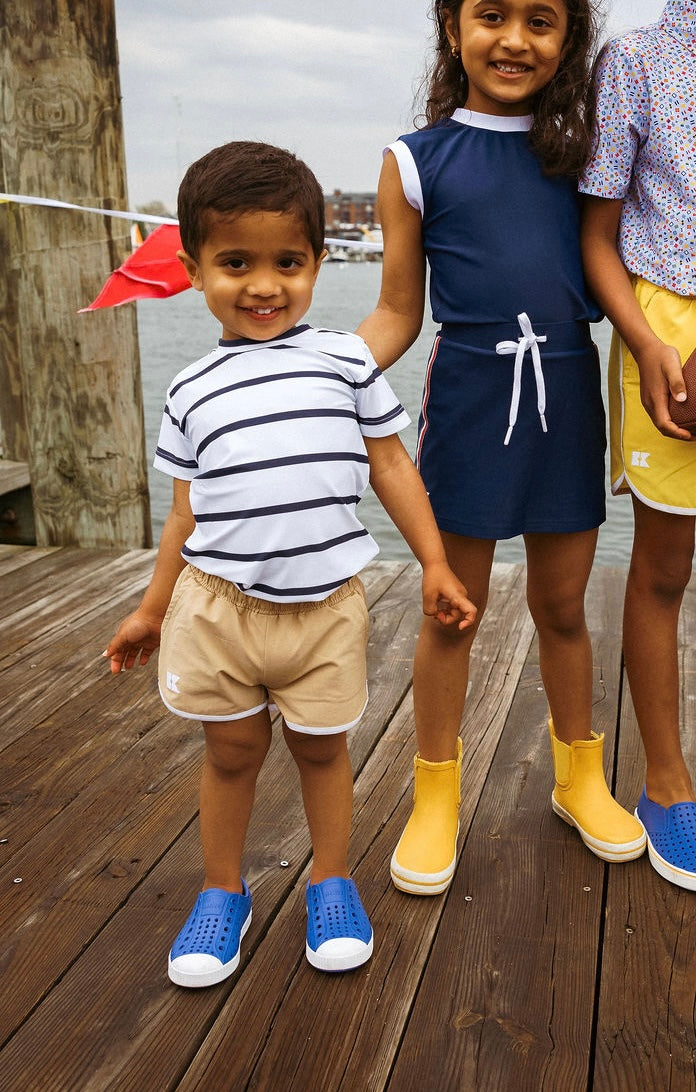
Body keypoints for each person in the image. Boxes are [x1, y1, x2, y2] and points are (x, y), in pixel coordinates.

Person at [104, 140, 476, 986]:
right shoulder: (191, 388)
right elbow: (184, 510)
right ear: (194, 269)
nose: (264, 284)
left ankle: (331, 880)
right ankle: (222, 892)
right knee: (230, 753)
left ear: (313, 263)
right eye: (235, 263)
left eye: (288, 262)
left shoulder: (346, 361)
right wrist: (152, 609)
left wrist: (435, 564)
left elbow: (390, 465)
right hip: (218, 608)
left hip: (325, 610)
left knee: (321, 750)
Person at [356, 0, 647, 897]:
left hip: (566, 386)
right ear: (452, 28)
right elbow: (399, 314)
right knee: (457, 610)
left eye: (541, 20)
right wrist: (319, 376)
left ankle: (578, 777)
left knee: (565, 607)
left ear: (569, 40)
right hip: (473, 396)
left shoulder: (588, 154)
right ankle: (434, 795)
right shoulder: (415, 160)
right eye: (491, 16)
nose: (515, 39)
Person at [580, 1, 696, 890]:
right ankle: (667, 782)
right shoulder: (639, 59)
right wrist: (650, 344)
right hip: (666, 336)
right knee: (662, 569)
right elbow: (600, 237)